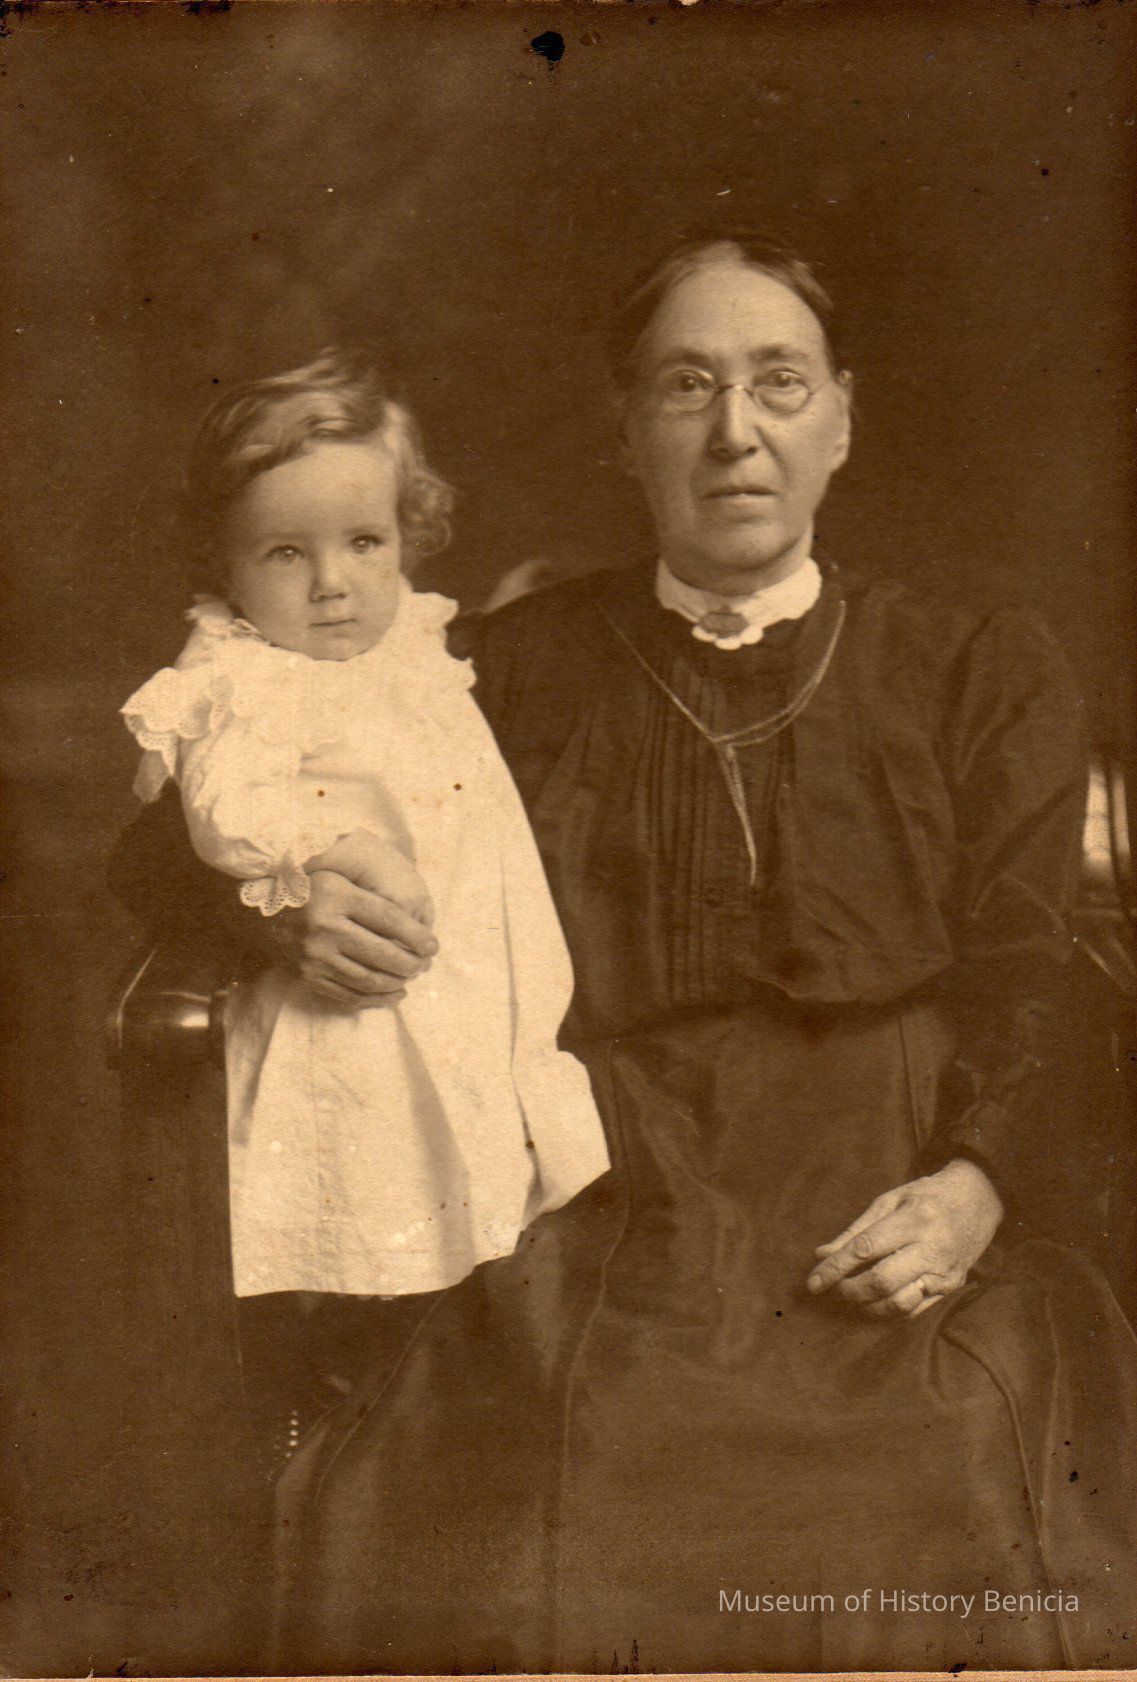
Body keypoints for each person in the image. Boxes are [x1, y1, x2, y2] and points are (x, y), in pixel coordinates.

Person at [113, 237, 1137, 1672]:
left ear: (842, 419)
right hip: (600, 1173)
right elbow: (168, 830)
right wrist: (276, 912)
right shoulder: (498, 664)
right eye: (687, 386)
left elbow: (1036, 965)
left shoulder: (979, 666)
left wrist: (977, 1184)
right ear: (625, 432)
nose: (736, 431)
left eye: (779, 383)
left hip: (893, 1160)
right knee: (545, 1467)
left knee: (951, 1453)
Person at [116, 352, 608, 1440]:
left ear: (407, 534)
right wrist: (325, 855)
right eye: (286, 552)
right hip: (354, 1012)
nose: (332, 583)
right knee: (370, 1223)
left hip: (477, 991)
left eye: (364, 543)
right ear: (225, 561)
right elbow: (216, 811)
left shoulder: (416, 644)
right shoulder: (244, 674)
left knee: (479, 1221)